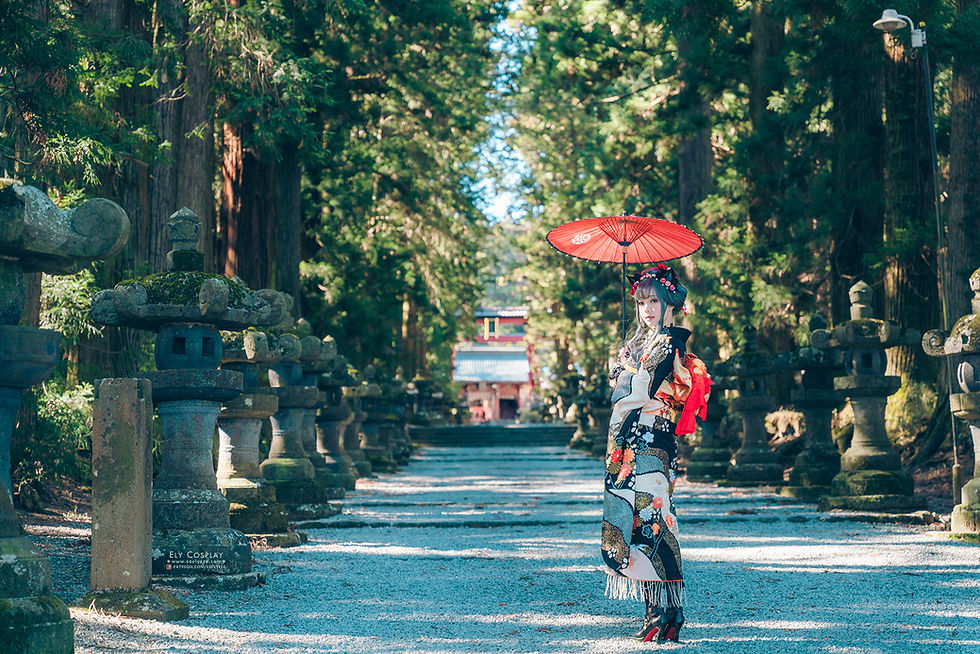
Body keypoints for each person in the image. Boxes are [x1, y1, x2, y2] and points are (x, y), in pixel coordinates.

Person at [602, 263, 711, 644]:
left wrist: (623, 376)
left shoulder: (668, 343)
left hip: (651, 442)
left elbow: (639, 390)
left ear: (671, 304)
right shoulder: (643, 345)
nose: (647, 308)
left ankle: (662, 611)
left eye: (655, 300)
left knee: (652, 520)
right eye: (642, 301)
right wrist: (624, 364)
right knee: (643, 521)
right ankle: (664, 610)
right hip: (638, 442)